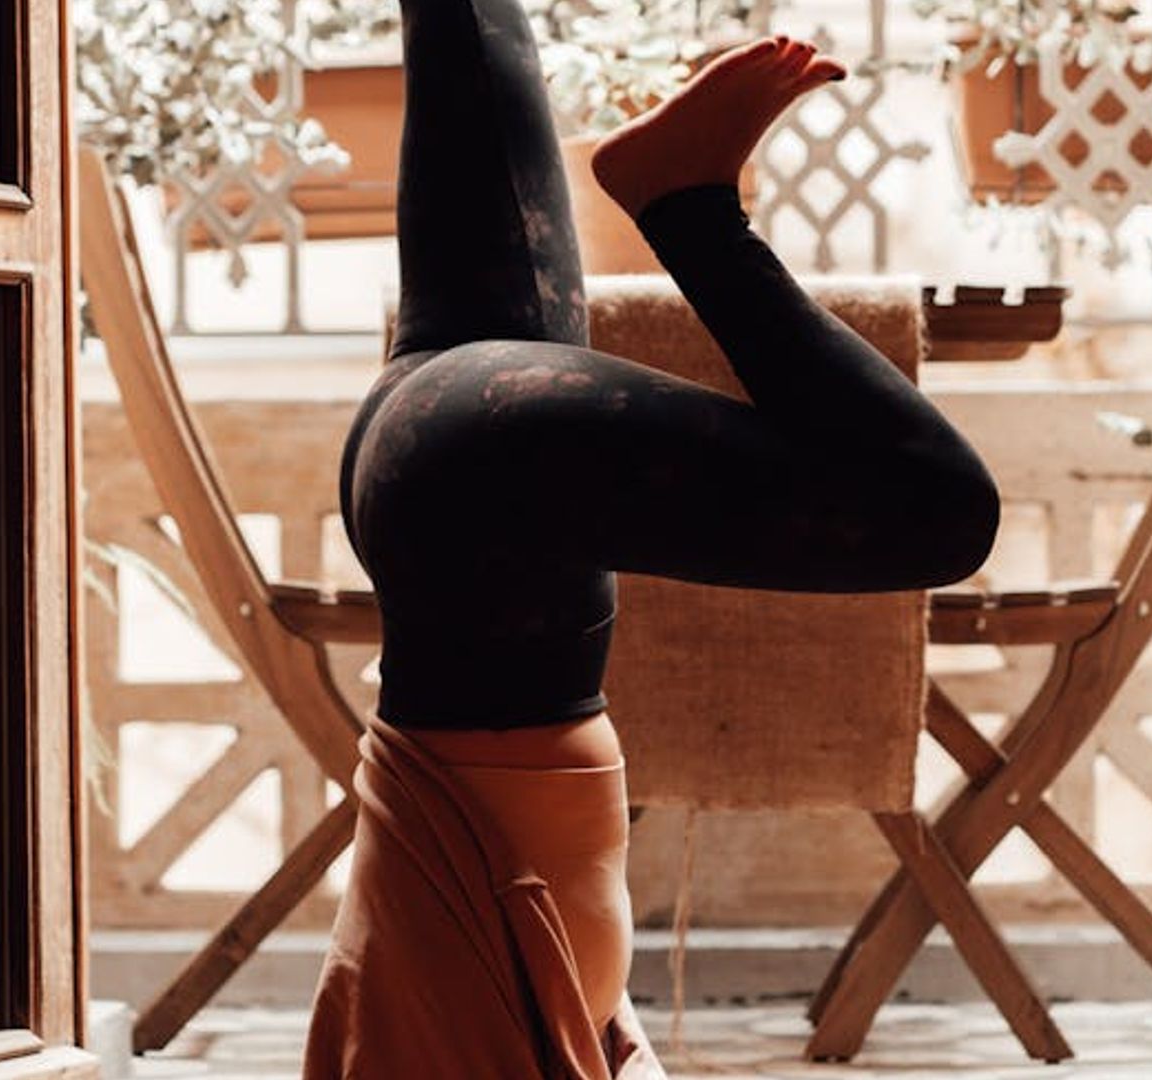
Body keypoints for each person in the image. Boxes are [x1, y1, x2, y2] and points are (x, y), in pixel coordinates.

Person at [323, 1, 1002, 1062]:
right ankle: (676, 192)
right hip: (444, 486)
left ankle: (686, 206)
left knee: (933, 512)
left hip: (489, 491)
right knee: (467, 32)